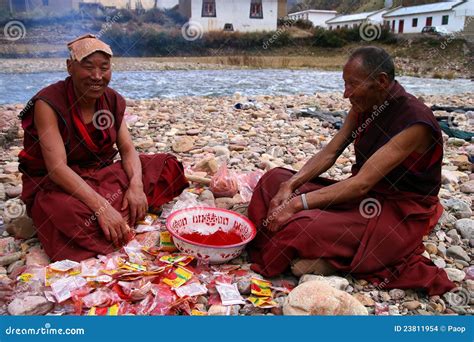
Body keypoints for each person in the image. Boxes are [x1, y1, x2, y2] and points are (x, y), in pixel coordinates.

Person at [248, 46, 455, 295]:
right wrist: (290, 186)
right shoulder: (365, 104)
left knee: (301, 225)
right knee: (274, 179)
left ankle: (324, 259)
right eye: (344, 84)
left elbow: (362, 183)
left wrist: (295, 204)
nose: (346, 94)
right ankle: (305, 246)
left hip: (395, 211)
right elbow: (331, 152)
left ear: (381, 82)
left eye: (352, 85)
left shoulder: (414, 122)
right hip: (361, 197)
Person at [18, 34, 188, 262]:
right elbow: (57, 169)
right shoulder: (48, 103)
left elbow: (127, 149)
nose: (97, 76)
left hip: (100, 176)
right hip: (60, 185)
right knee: (65, 213)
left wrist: (136, 187)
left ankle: (120, 217)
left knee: (166, 165)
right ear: (70, 67)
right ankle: (122, 217)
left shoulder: (111, 100)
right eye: (88, 68)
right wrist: (103, 209)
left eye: (104, 68)